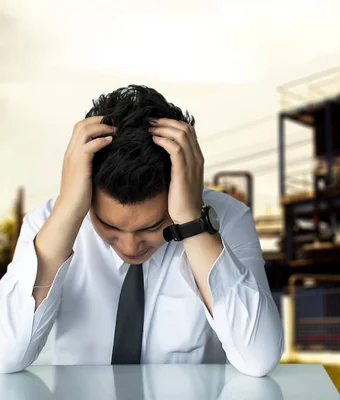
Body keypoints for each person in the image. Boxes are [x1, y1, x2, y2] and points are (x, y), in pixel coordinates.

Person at [0, 85, 283, 376]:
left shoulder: (226, 219)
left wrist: (192, 221)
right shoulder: (47, 222)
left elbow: (258, 358)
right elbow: (4, 356)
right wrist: (68, 209)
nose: (130, 246)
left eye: (152, 227)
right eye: (109, 226)